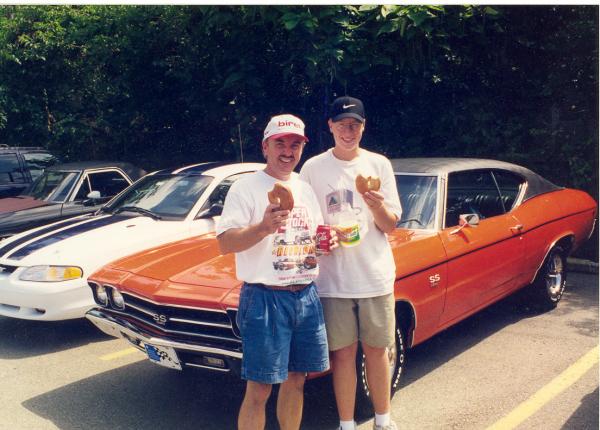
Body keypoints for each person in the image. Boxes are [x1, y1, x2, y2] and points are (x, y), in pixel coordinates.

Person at [216, 114, 331, 430]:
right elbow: (225, 242)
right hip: (265, 300)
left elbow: (311, 240)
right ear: (265, 146)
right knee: (260, 388)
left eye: (295, 144)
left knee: (297, 379)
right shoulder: (246, 188)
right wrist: (264, 227)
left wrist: (323, 244)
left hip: (306, 296)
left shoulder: (305, 189)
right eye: (280, 143)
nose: (288, 151)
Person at [299, 96, 402, 430]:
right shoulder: (313, 168)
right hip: (332, 281)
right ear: (329, 126)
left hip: (374, 275)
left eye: (354, 124)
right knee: (342, 355)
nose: (348, 130)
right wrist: (319, 238)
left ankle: (383, 421)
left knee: (377, 350)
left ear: (363, 127)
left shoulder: (379, 165)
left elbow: (390, 224)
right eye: (342, 124)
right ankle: (347, 424)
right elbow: (304, 224)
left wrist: (375, 206)